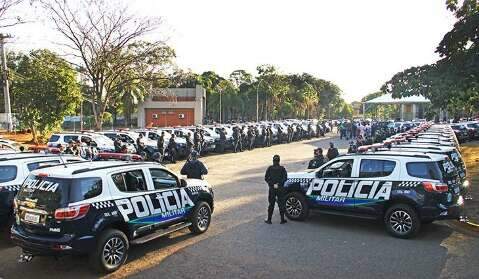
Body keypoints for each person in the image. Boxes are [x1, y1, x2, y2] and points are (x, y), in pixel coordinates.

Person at [264, 155, 288, 224]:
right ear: (279, 161)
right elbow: (285, 178)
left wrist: (272, 184)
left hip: (272, 189)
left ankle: (269, 219)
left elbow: (266, 178)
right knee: (281, 203)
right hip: (280, 188)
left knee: (271, 204)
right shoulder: (282, 168)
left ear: (273, 160)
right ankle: (282, 219)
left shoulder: (270, 168)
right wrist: (279, 184)